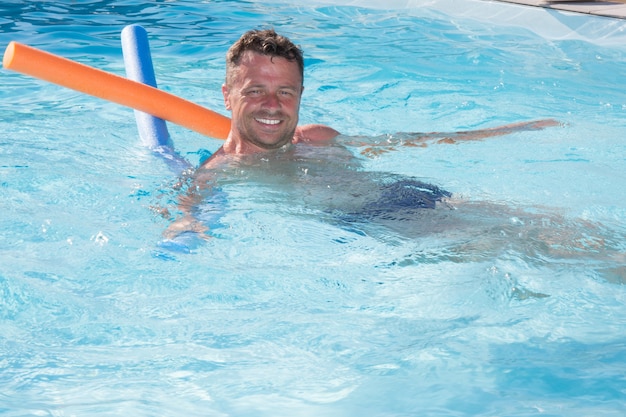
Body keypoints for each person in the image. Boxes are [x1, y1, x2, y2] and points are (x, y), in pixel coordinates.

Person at [162, 28, 561, 240]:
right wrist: (183, 223)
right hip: (375, 224)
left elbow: (416, 140)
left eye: (285, 92)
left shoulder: (316, 136)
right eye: (255, 91)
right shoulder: (219, 170)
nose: (272, 105)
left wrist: (510, 129)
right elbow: (184, 206)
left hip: (412, 193)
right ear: (227, 97)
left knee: (562, 229)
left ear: (300, 95)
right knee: (511, 246)